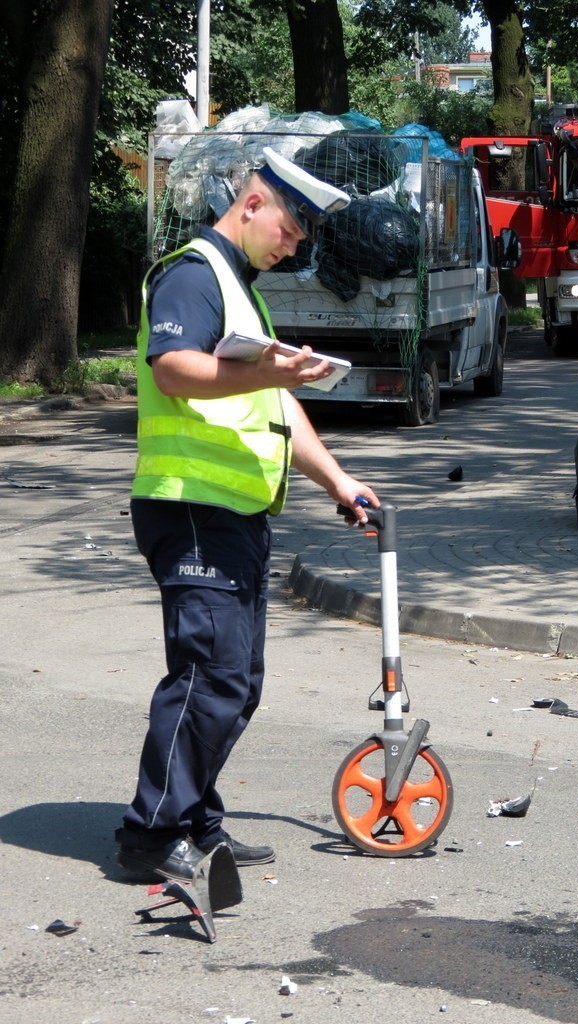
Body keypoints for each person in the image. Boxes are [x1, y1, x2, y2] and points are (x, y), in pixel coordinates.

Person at [115, 147, 379, 882]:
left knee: (238, 682)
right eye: (291, 229)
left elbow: (272, 402)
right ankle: (149, 835)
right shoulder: (195, 273)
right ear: (253, 203)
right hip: (192, 508)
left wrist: (336, 479)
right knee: (210, 678)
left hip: (235, 513)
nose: (293, 246)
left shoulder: (239, 289)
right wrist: (268, 368)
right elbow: (173, 368)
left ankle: (194, 818)